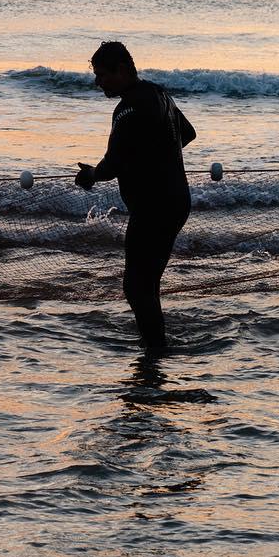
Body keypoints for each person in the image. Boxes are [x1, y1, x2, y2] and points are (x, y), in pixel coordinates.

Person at [74, 41, 196, 349]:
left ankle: (154, 348)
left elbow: (111, 164)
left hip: (153, 207)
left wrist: (90, 175)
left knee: (136, 286)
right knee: (147, 281)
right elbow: (187, 133)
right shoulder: (159, 93)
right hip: (176, 201)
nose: (98, 82)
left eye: (103, 75)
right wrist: (156, 155)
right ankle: (155, 342)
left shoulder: (127, 107)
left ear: (124, 70)